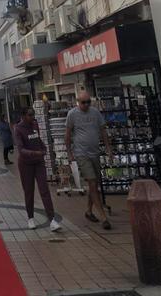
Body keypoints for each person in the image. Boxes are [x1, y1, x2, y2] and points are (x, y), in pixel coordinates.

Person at [65, 94, 113, 230]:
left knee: (94, 185)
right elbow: (67, 134)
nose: (86, 105)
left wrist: (108, 148)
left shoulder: (96, 113)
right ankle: (104, 217)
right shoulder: (72, 114)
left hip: (95, 152)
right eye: (84, 102)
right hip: (81, 154)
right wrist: (69, 153)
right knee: (92, 181)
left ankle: (89, 211)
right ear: (78, 102)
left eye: (88, 102)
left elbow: (103, 131)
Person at [15, 108, 61, 232]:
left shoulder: (35, 125)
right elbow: (20, 149)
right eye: (30, 115)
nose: (32, 117)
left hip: (39, 162)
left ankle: (52, 219)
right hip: (26, 164)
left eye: (33, 114)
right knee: (29, 191)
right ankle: (30, 218)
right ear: (23, 116)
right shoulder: (18, 129)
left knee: (44, 189)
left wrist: (44, 148)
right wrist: (34, 153)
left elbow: (38, 139)